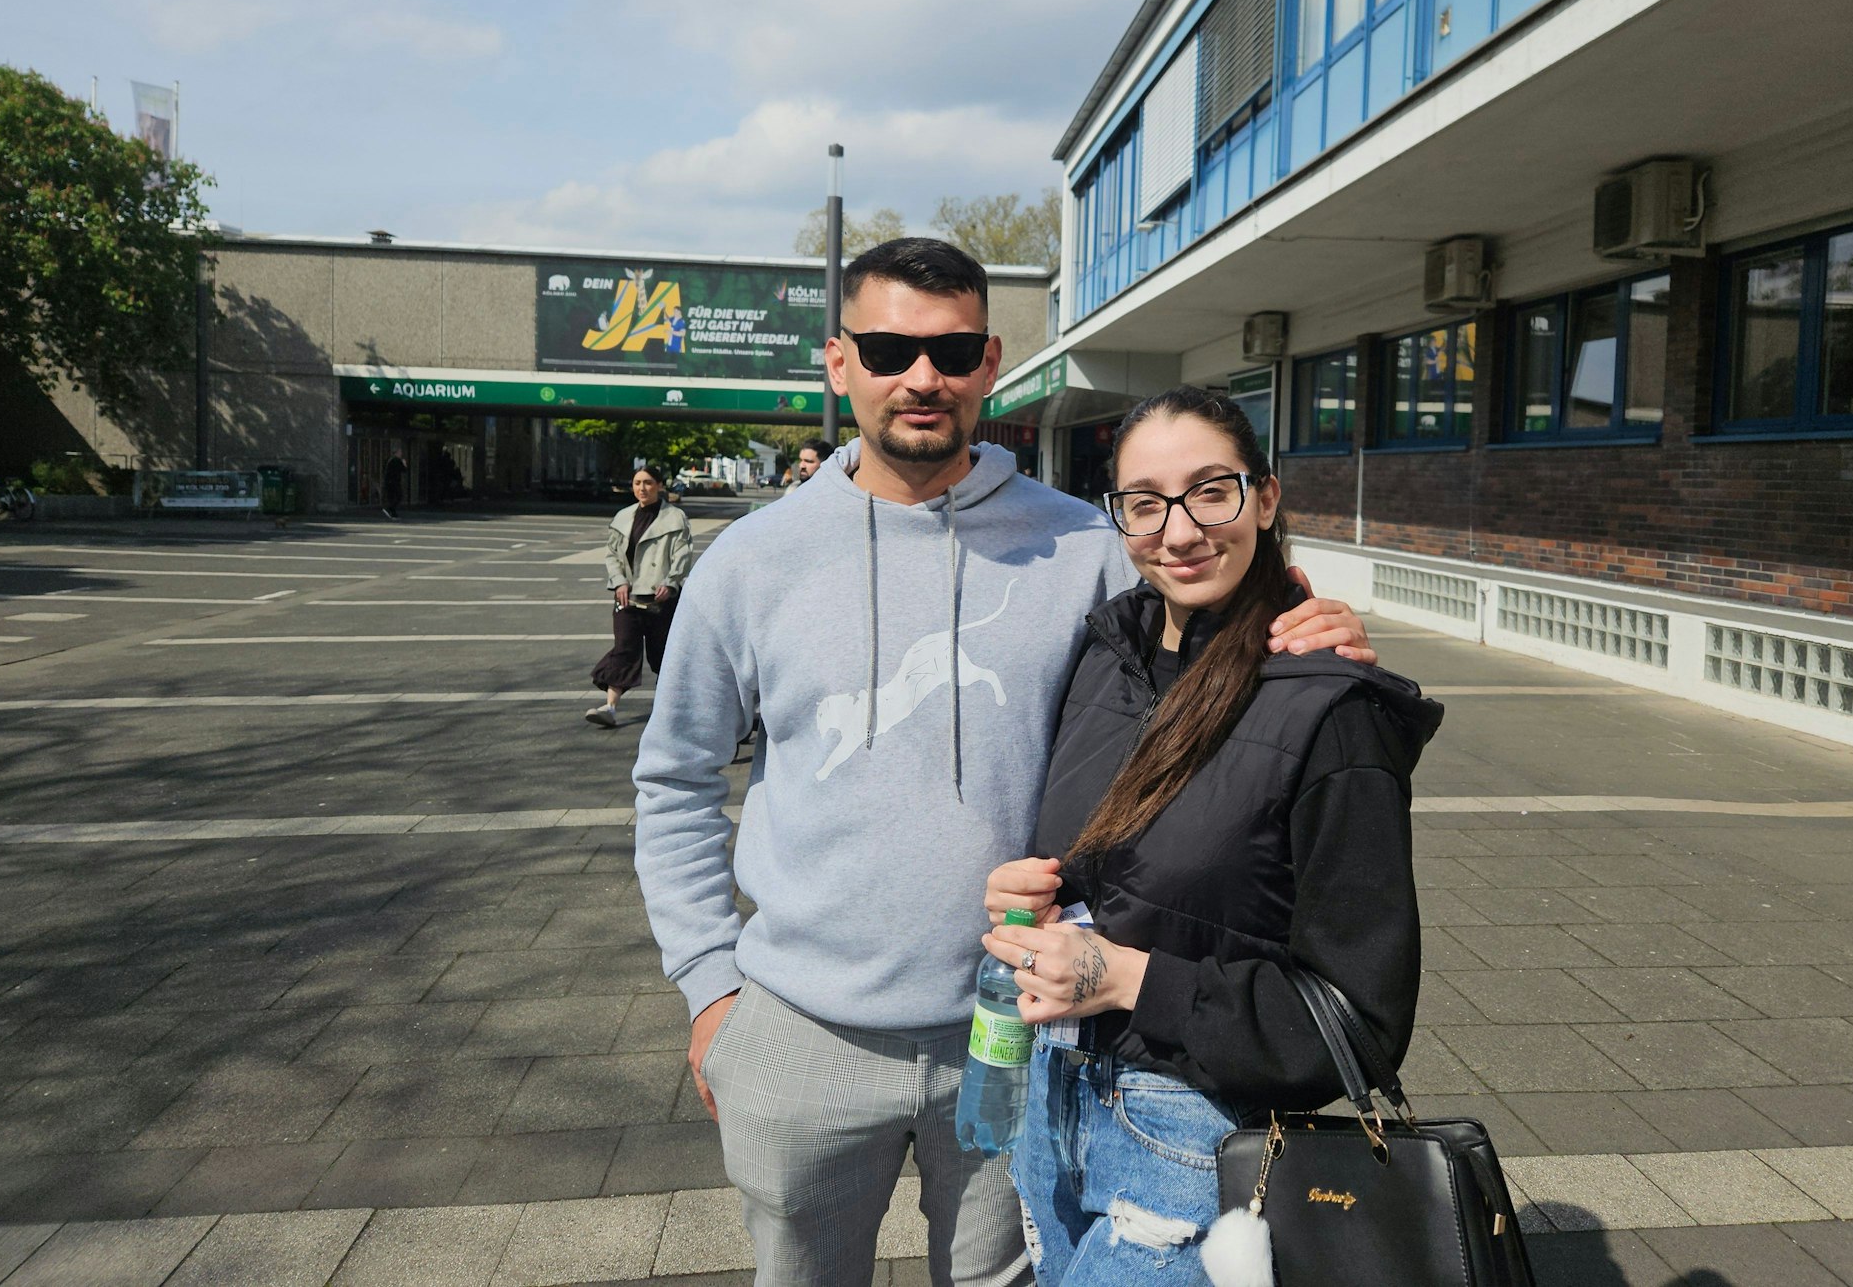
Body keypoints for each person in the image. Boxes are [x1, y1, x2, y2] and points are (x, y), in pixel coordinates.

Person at [631, 238, 1373, 1287]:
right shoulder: (749, 562)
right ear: (838, 361)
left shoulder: (1084, 546)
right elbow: (675, 781)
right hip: (798, 1032)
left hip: (1025, 1028)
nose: (920, 377)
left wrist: (1303, 622)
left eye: (951, 351)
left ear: (988, 364)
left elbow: (1205, 620)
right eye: (887, 350)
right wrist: (710, 988)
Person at [979, 386, 1441, 1286]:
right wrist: (1036, 894)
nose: (1180, 531)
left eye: (1211, 492)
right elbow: (1121, 872)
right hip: (1054, 1099)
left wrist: (1126, 978)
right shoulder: (1107, 656)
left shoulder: (1330, 709)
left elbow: (1360, 1018)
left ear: (1265, 499)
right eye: (1145, 503)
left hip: (1194, 1142)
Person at [586, 466, 692, 729]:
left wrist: (671, 582)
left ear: (659, 485)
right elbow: (612, 555)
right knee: (624, 649)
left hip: (660, 600)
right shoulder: (623, 517)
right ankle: (610, 708)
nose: (641, 488)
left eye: (648, 482)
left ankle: (674, 708)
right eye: (636, 483)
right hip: (628, 598)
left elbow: (682, 554)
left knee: (663, 654)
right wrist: (619, 581)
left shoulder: (675, 517)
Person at [379, 453, 406, 520]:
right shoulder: (396, 461)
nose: (401, 454)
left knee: (393, 497)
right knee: (398, 496)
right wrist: (404, 464)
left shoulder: (390, 461)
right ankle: (389, 509)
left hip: (390, 482)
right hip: (394, 482)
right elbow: (404, 470)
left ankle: (393, 513)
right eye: (399, 452)